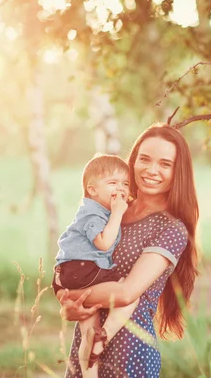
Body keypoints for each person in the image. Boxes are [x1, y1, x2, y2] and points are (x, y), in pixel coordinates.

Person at [56, 123, 199, 378]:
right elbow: (75, 259)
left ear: (178, 171)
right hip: (86, 345)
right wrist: (67, 303)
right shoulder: (111, 210)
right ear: (132, 162)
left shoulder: (171, 229)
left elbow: (125, 292)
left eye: (165, 164)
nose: (151, 170)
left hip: (130, 351)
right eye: (144, 159)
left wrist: (73, 295)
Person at [52, 154, 139, 376]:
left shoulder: (100, 210)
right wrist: (118, 213)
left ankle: (90, 367)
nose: (120, 189)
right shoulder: (93, 212)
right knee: (130, 292)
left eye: (125, 184)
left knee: (86, 331)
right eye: (112, 183)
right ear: (92, 190)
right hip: (83, 270)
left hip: (73, 272)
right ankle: (105, 335)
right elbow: (103, 243)